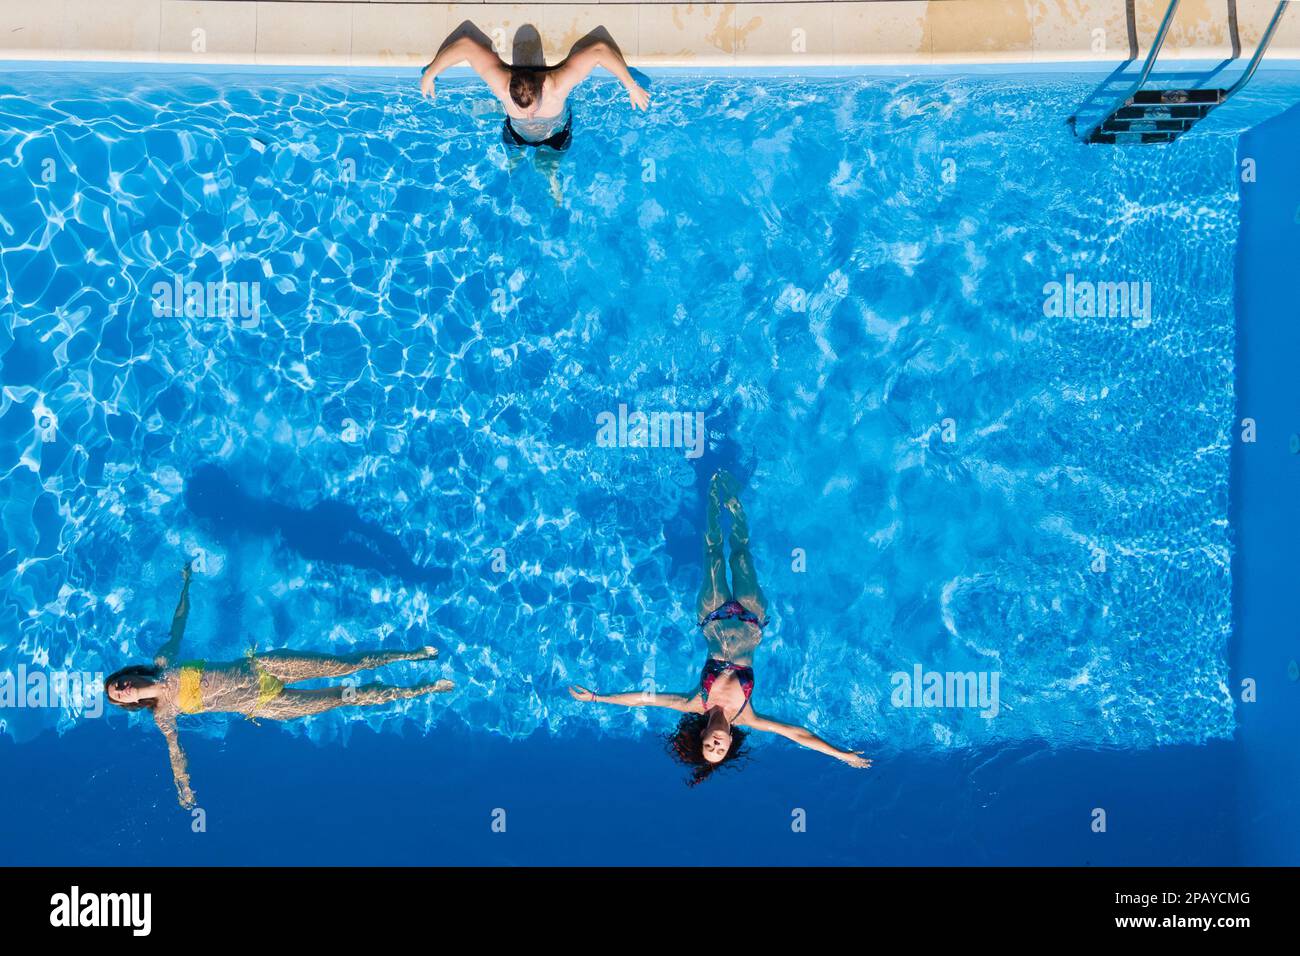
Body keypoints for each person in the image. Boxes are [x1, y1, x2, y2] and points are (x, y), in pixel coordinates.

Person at [570, 471, 872, 785]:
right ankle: (734, 501)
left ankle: (714, 498)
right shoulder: (747, 716)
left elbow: (645, 699)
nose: (716, 744)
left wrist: (598, 699)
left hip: (712, 616)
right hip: (751, 619)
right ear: (729, 744)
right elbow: (797, 733)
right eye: (720, 750)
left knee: (713, 555)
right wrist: (841, 755)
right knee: (741, 556)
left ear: (702, 735)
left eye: (709, 746)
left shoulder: (694, 703)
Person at [104, 562, 452, 808]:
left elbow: (177, 625)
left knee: (344, 664)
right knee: (343, 698)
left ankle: (409, 655)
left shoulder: (165, 662)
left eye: (118, 683)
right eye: (117, 695)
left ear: (128, 675)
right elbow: (175, 753)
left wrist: (186, 585)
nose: (121, 689)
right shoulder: (163, 714)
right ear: (126, 703)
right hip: (266, 706)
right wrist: (184, 787)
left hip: (266, 667)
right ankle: (417, 690)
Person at [419, 27, 650, 152]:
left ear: (541, 88)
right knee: (512, 153)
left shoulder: (557, 86)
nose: (530, 116)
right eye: (525, 109)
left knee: (550, 162)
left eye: (532, 108)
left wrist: (631, 86)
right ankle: (516, 160)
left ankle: (549, 173)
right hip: (515, 133)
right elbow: (466, 46)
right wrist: (431, 73)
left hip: (556, 135)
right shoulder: (502, 85)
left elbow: (599, 50)